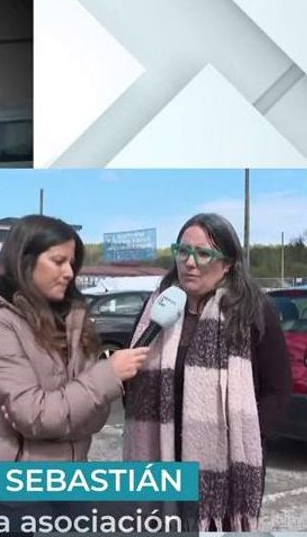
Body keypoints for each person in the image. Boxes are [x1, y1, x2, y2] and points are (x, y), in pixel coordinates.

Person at [123, 213, 292, 531]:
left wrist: (240, 436)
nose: (189, 262)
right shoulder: (156, 308)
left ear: (227, 263)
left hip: (224, 466)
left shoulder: (253, 311)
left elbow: (278, 389)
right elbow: (134, 380)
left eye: (203, 254)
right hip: (161, 461)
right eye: (183, 251)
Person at [0, 215, 149, 462]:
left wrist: (56, 419)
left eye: (72, 264)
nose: (69, 273)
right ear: (25, 261)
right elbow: (38, 417)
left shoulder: (72, 319)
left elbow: (93, 418)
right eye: (58, 261)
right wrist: (109, 374)